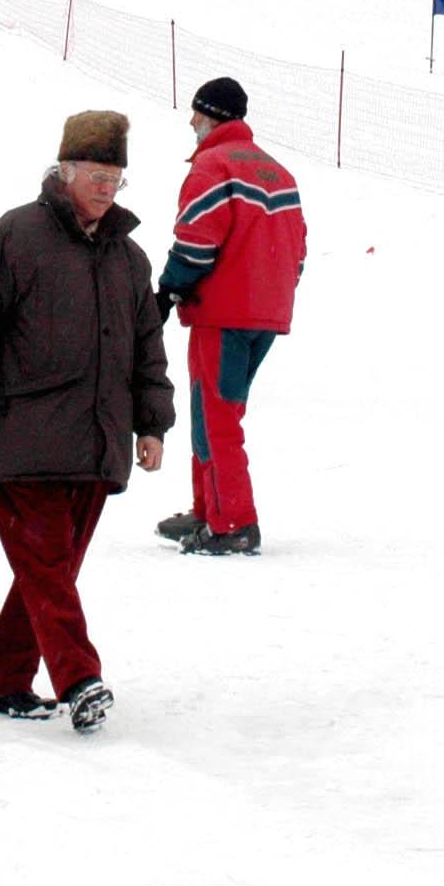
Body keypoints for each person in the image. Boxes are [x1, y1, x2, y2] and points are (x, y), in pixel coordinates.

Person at [0, 110, 168, 729]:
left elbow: (148, 349)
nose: (107, 189)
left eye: (116, 178)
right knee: (46, 567)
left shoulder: (130, 258)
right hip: (24, 437)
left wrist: (151, 425)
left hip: (98, 442)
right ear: (65, 171)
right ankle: (80, 678)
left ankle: (5, 681)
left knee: (50, 575)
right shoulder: (9, 240)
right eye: (97, 175)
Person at [154, 78, 306, 555]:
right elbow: (298, 248)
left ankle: (234, 523)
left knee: (216, 417)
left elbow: (196, 242)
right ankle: (209, 508)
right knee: (218, 411)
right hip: (266, 313)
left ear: (212, 116)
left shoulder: (213, 166)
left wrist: (169, 289)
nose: (191, 122)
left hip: (223, 313)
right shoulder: (277, 172)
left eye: (196, 114)